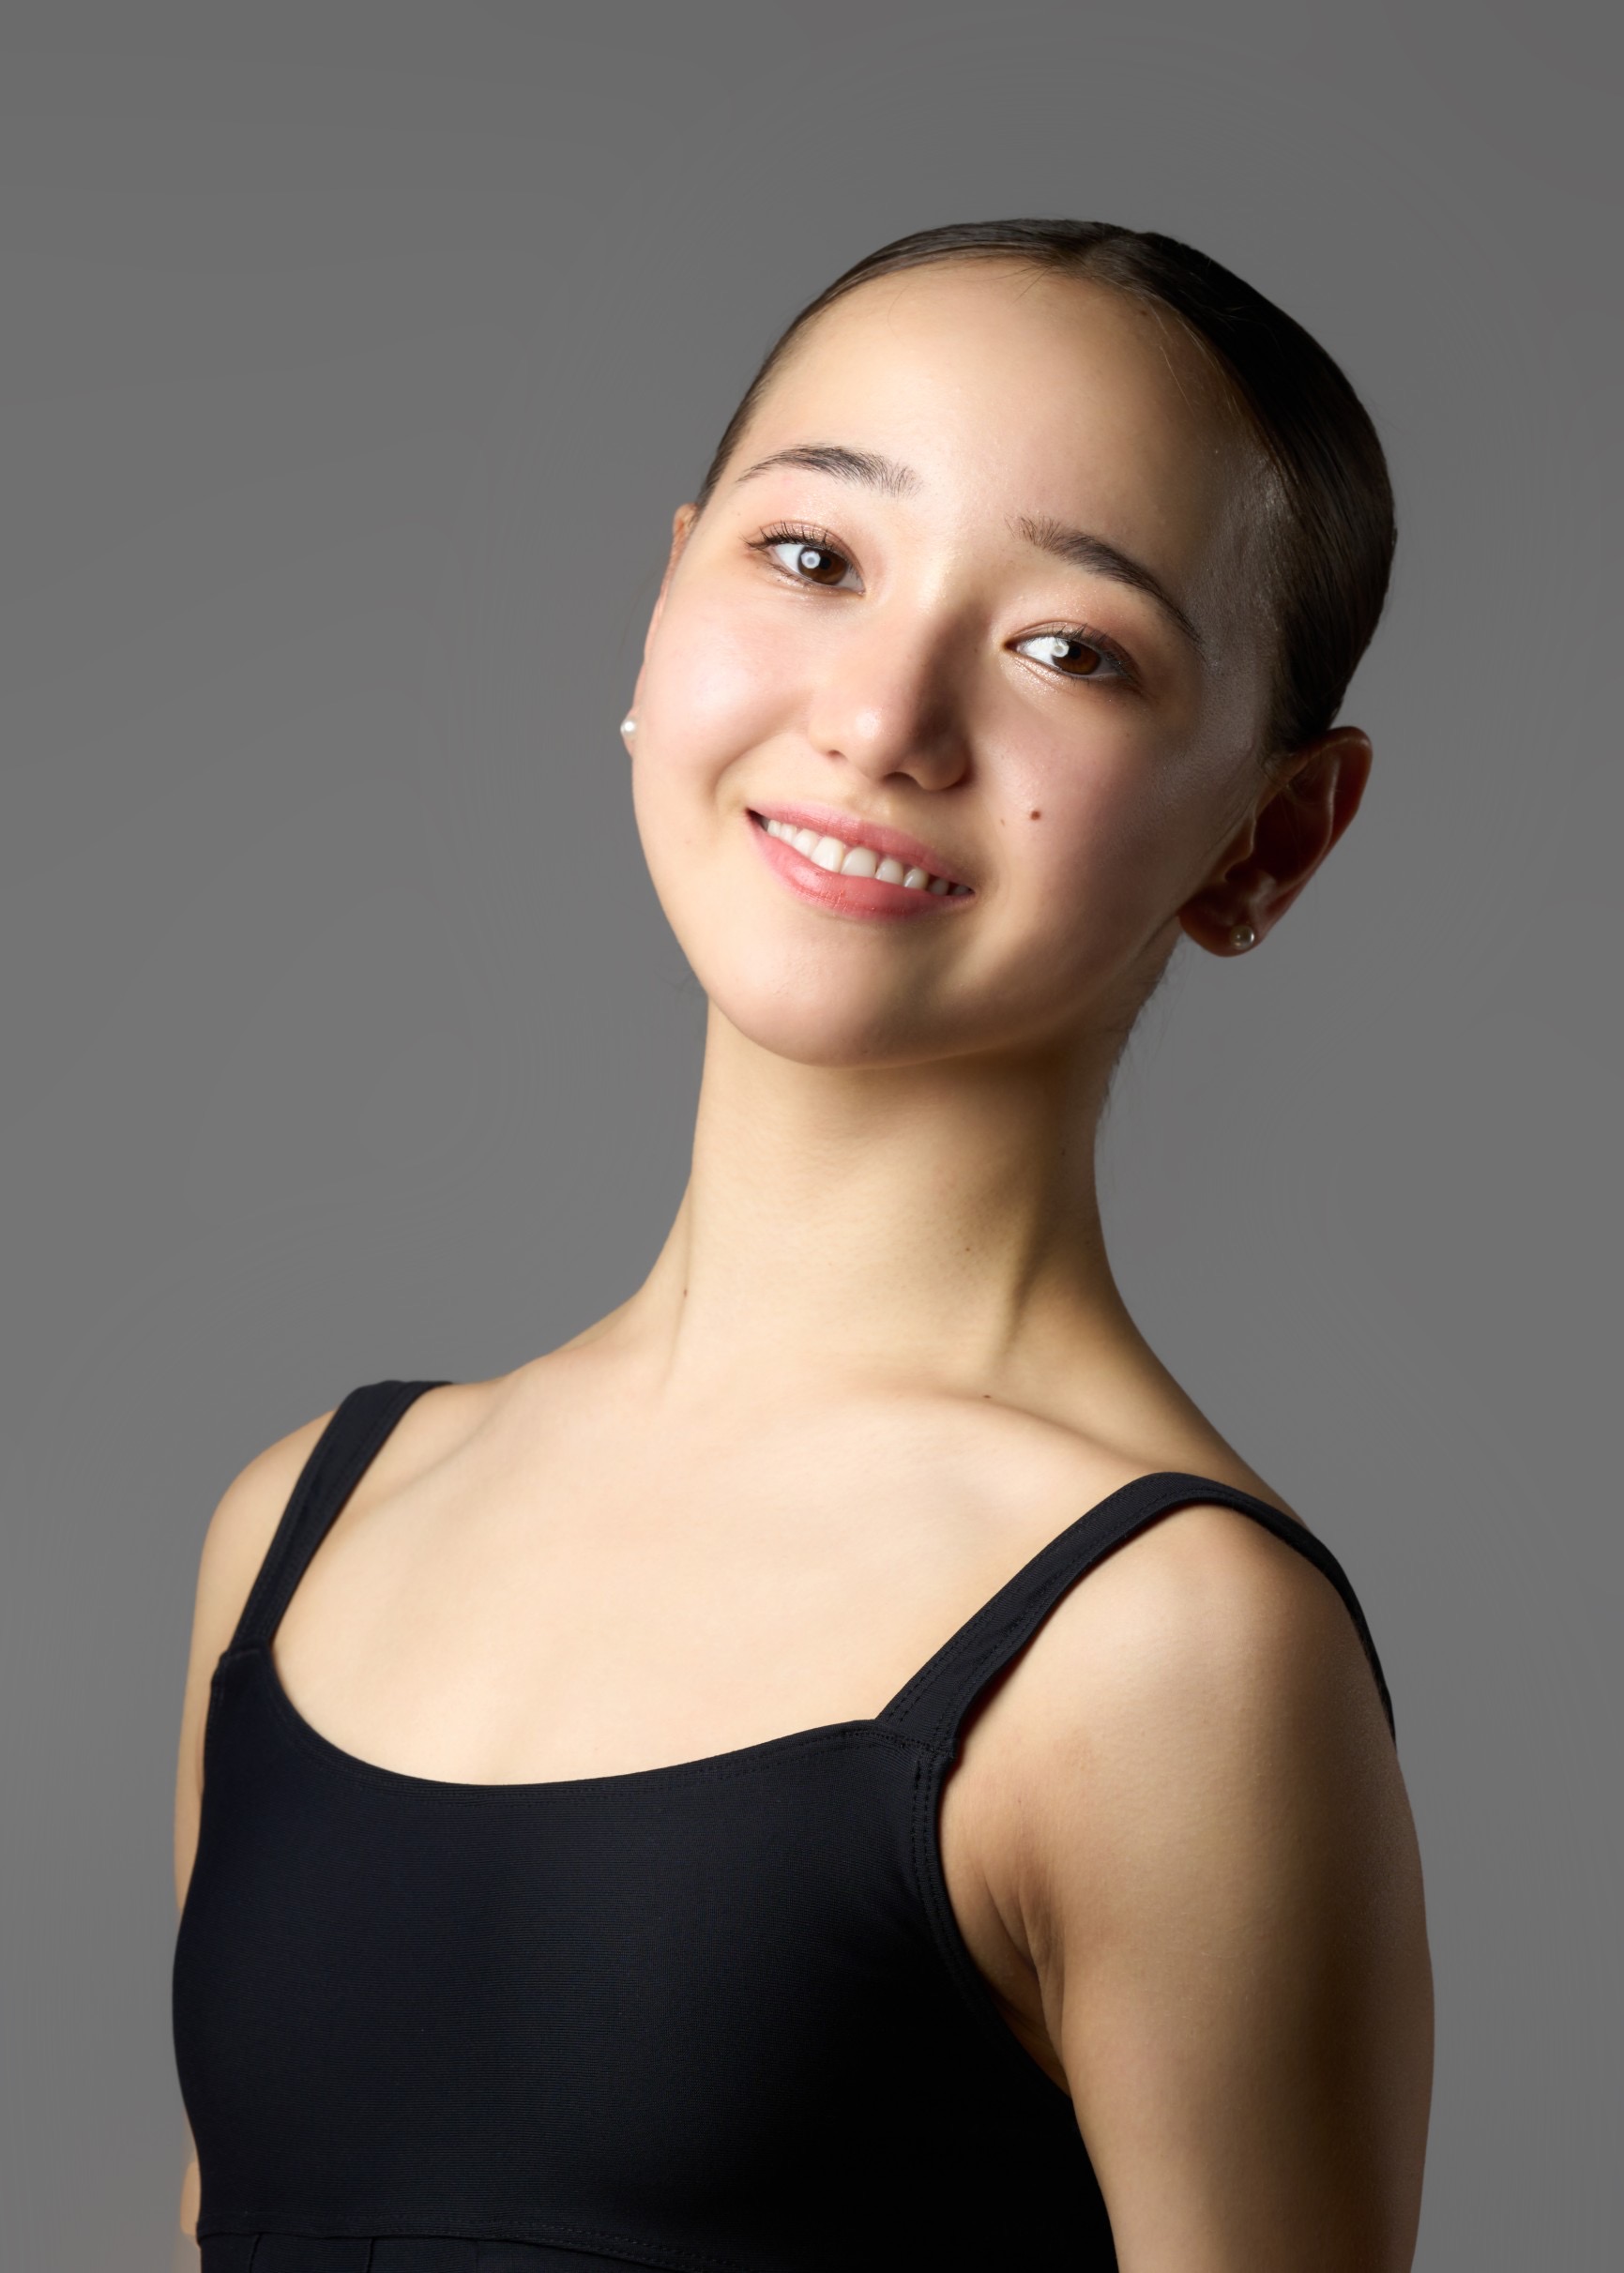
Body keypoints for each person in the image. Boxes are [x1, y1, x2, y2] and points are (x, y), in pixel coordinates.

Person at [171, 219, 1433, 2271]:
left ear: (1269, 839)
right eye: (813, 557)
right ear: (664, 602)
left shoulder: (1171, 1655)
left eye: (1070, 650)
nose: (880, 714)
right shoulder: (306, 1528)